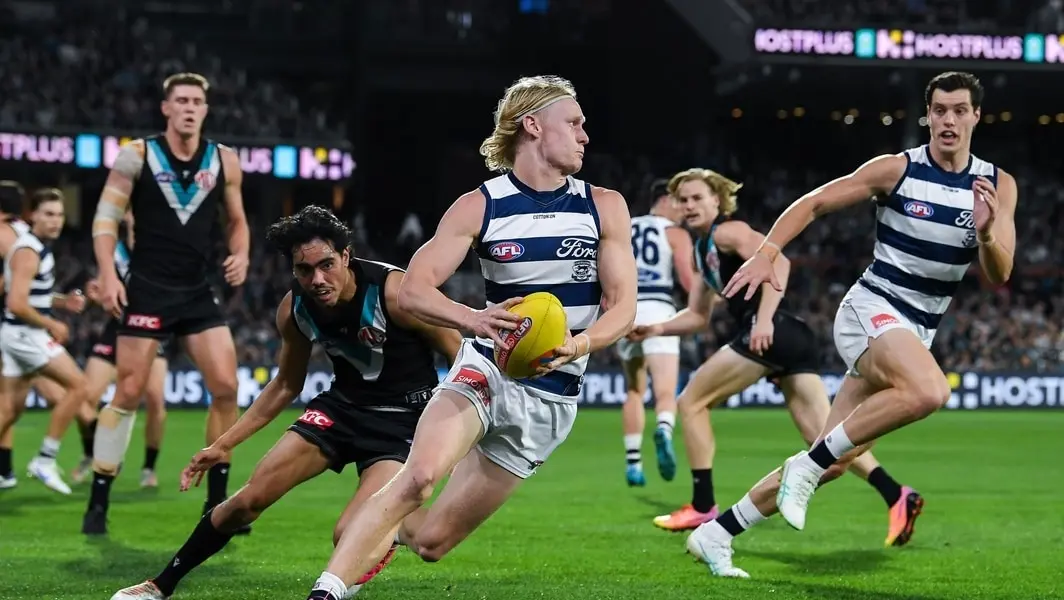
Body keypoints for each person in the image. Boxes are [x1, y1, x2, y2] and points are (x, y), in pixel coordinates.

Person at [298, 75, 638, 600]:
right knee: (419, 479)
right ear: (533, 125)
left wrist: (578, 345)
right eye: (574, 123)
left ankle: (380, 523)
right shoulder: (481, 205)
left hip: (551, 400)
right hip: (486, 369)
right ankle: (327, 589)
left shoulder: (604, 205)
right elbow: (413, 289)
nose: (584, 135)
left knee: (431, 541)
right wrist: (471, 319)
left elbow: (624, 308)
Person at [688, 71, 1016, 576]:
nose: (948, 120)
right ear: (927, 116)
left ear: (976, 115)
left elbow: (999, 274)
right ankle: (806, 466)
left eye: (959, 110)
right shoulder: (897, 170)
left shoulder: (997, 185)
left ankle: (716, 533)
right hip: (872, 308)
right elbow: (814, 203)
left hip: (915, 329)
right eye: (939, 110)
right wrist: (767, 253)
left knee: (836, 460)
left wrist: (987, 232)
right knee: (929, 390)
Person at [109, 205, 463, 600]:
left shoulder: (394, 293)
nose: (317, 279)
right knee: (247, 501)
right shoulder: (294, 309)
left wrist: (454, 433)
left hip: (402, 424)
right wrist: (223, 444)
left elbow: (458, 353)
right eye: (304, 270)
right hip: (341, 411)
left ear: (346, 255)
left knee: (349, 534)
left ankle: (393, 528)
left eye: (326, 264)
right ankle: (159, 587)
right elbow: (285, 384)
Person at [629, 168, 921, 564]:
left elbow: (778, 261)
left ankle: (702, 505)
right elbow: (698, 316)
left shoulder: (728, 232)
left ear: (717, 201)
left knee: (691, 402)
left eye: (698, 198)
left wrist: (763, 319)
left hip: (771, 332)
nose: (689, 205)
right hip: (790, 339)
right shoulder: (702, 251)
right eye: (683, 200)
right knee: (825, 443)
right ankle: (896, 494)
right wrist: (656, 328)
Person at [83, 72, 250, 535]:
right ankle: (98, 501)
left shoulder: (224, 160)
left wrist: (241, 254)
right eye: (182, 100)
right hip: (148, 288)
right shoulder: (136, 155)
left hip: (196, 289)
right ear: (166, 108)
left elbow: (237, 221)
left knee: (226, 388)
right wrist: (107, 272)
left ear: (205, 109)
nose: (190, 108)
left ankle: (217, 506)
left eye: (197, 101)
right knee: (128, 392)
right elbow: (105, 218)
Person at [71, 210, 171, 489]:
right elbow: (101, 289)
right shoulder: (114, 253)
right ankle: (95, 452)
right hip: (116, 331)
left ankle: (148, 468)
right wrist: (94, 294)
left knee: (155, 401)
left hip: (151, 332)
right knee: (83, 396)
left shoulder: (163, 252)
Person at [0, 188, 91, 495]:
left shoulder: (36, 246)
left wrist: (62, 302)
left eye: (60, 215)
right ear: (33, 216)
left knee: (10, 411)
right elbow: (16, 303)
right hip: (24, 335)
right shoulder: (28, 250)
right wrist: (52, 323)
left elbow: (31, 294)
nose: (56, 221)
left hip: (16, 334)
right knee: (79, 386)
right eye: (48, 214)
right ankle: (45, 459)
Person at [614, 178, 694, 486]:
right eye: (679, 202)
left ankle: (633, 463)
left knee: (634, 390)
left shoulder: (625, 227)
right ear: (664, 201)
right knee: (665, 391)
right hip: (659, 309)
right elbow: (688, 281)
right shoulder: (675, 233)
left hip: (627, 311)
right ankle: (663, 429)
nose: (683, 210)